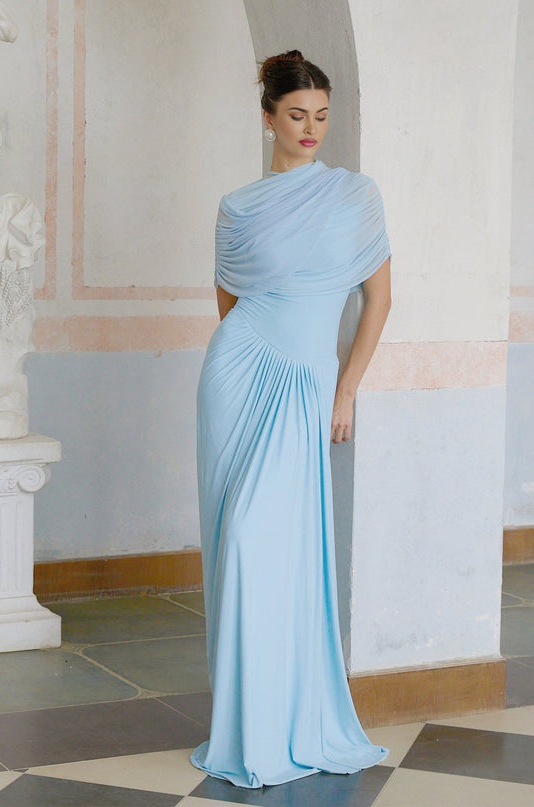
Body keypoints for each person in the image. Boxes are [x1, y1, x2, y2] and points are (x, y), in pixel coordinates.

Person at [190, 49, 392, 789]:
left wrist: (344, 389)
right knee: (237, 544)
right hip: (237, 379)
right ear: (269, 115)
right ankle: (245, 725)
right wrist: (254, 355)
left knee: (263, 544)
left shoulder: (355, 195)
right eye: (297, 115)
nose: (312, 130)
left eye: (322, 117)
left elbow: (378, 300)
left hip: (310, 387)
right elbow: (230, 308)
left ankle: (290, 720)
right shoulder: (238, 207)